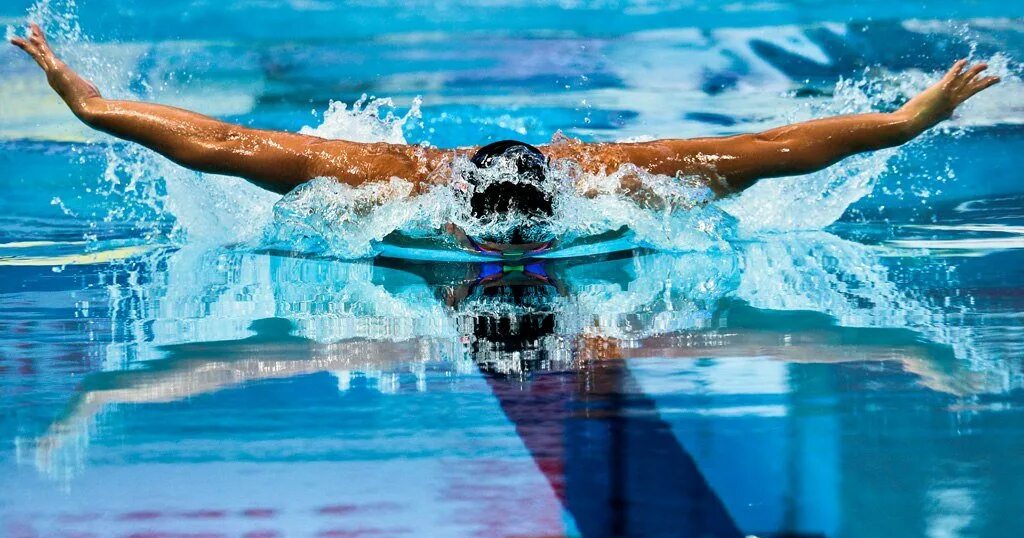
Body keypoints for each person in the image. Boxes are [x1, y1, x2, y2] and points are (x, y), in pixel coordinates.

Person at [11, 23, 1001, 257]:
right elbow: (222, 140)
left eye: (524, 229)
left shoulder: (617, 183)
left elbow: (781, 145)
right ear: (458, 203)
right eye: (498, 228)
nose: (514, 250)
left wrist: (904, 122)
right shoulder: (381, 186)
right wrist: (90, 104)